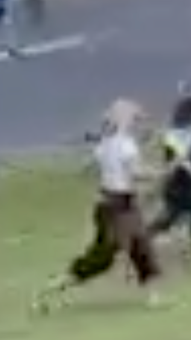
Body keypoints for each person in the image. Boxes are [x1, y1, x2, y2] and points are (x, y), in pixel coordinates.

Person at [34, 100, 162, 312]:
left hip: (111, 205)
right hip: (119, 207)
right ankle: (50, 290)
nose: (135, 120)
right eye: (132, 117)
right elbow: (136, 173)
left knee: (140, 248)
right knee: (104, 257)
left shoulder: (105, 145)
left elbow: (90, 171)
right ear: (124, 120)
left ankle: (154, 298)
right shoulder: (125, 144)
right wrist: (160, 172)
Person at [146, 94, 191, 264]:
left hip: (184, 184)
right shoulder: (177, 134)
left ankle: (141, 240)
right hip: (177, 183)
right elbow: (181, 159)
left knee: (170, 217)